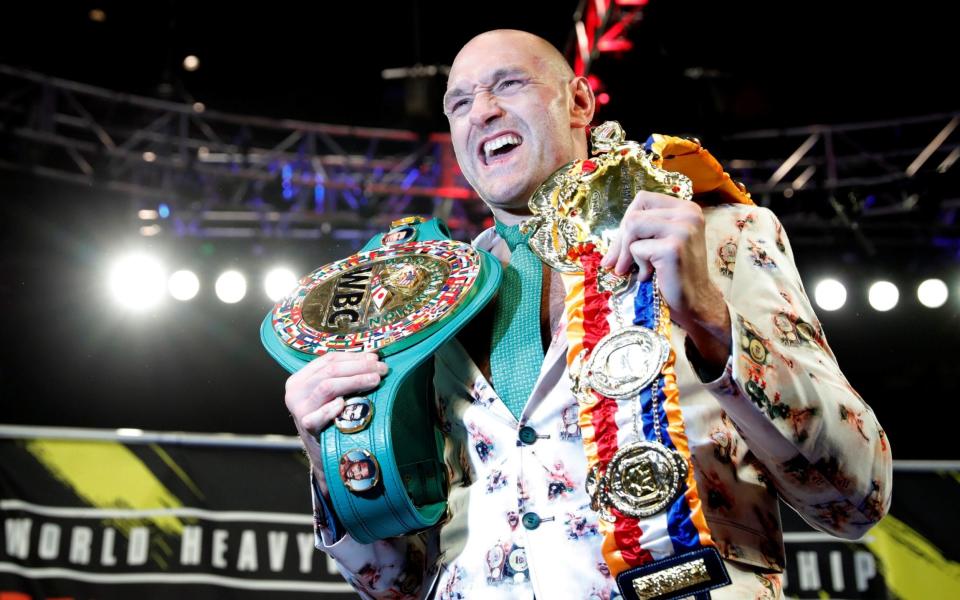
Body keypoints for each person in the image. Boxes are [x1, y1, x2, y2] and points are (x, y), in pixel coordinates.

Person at [283, 29, 891, 599]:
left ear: (578, 100)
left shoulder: (717, 235)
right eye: (460, 102)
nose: (483, 110)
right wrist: (329, 449)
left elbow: (855, 496)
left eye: (509, 84)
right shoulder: (421, 306)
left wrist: (711, 321)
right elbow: (397, 584)